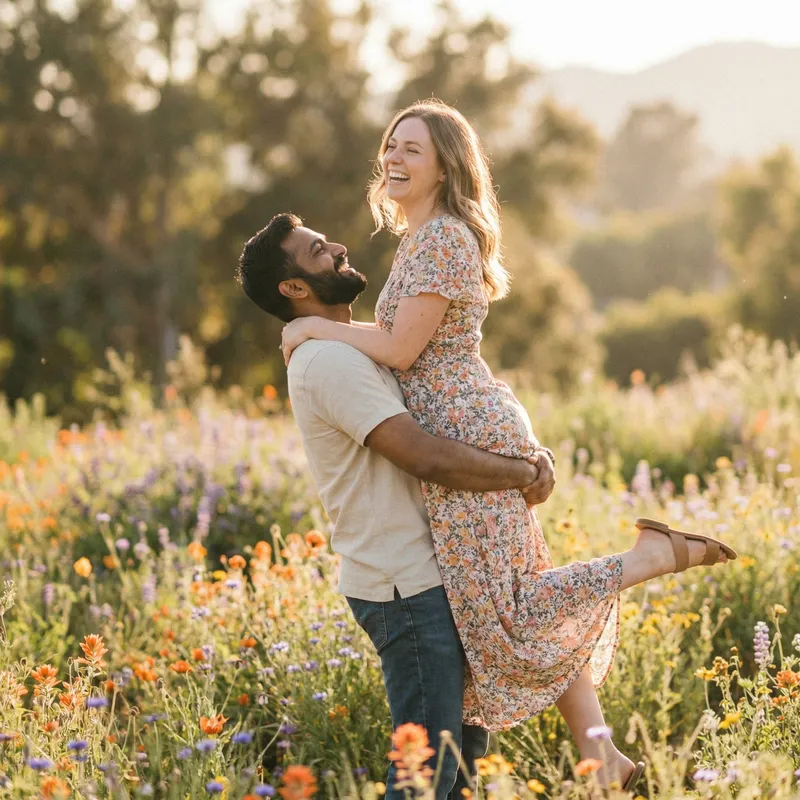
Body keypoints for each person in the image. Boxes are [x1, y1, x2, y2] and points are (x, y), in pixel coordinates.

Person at [279, 100, 737, 791]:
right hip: (467, 417)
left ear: (445, 167)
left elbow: (402, 349)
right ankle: (599, 752)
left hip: (462, 429)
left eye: (413, 150)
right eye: (390, 147)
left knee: (510, 607)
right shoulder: (425, 237)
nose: (394, 160)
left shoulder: (440, 240)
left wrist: (313, 329)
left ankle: (645, 560)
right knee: (510, 599)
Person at [236, 212, 558, 800]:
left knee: (457, 772)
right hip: (405, 591)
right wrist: (522, 474)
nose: (335, 245)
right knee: (422, 778)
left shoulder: (356, 349)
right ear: (293, 288)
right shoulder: (328, 362)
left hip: (440, 578)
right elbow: (425, 456)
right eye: (315, 250)